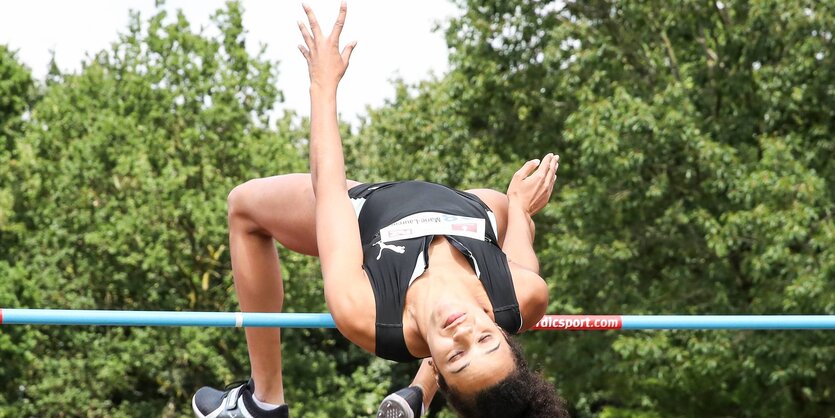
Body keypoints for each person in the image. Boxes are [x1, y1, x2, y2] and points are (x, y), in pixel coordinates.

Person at [192, 3, 568, 417]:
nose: (463, 332)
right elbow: (518, 243)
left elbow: (329, 185)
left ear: (441, 369)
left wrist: (323, 84)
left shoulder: (366, 311)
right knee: (505, 208)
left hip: (369, 209)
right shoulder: (523, 297)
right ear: (503, 332)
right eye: (486, 341)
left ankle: (261, 401)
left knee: (244, 205)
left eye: (457, 357)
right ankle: (418, 394)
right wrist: (519, 205)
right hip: (470, 209)